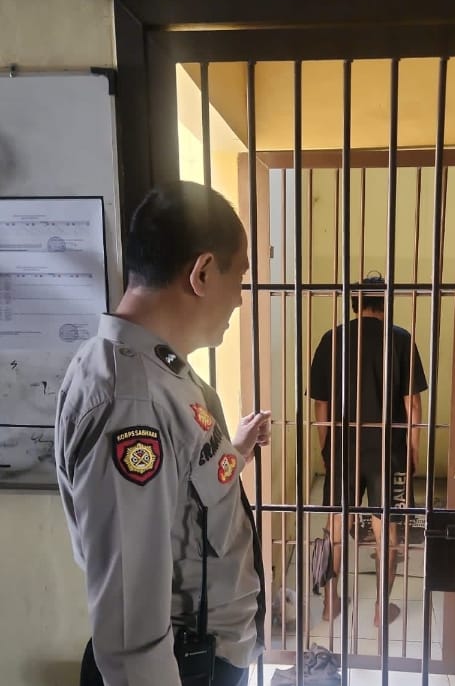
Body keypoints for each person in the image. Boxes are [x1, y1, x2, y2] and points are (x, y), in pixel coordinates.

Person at [55, 181, 271, 686]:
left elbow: (184, 497)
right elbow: (132, 633)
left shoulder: (160, 373)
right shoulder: (131, 404)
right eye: (239, 277)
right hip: (181, 666)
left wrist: (236, 452)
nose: (240, 300)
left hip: (203, 654)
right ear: (202, 272)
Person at [309, 275, 427, 627]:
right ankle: (380, 609)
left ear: (354, 304)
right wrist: (412, 451)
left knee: (335, 527)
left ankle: (330, 604)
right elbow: (413, 406)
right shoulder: (401, 339)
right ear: (385, 304)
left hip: (343, 447)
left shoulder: (331, 339)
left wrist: (327, 448)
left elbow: (320, 405)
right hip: (388, 450)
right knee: (386, 531)